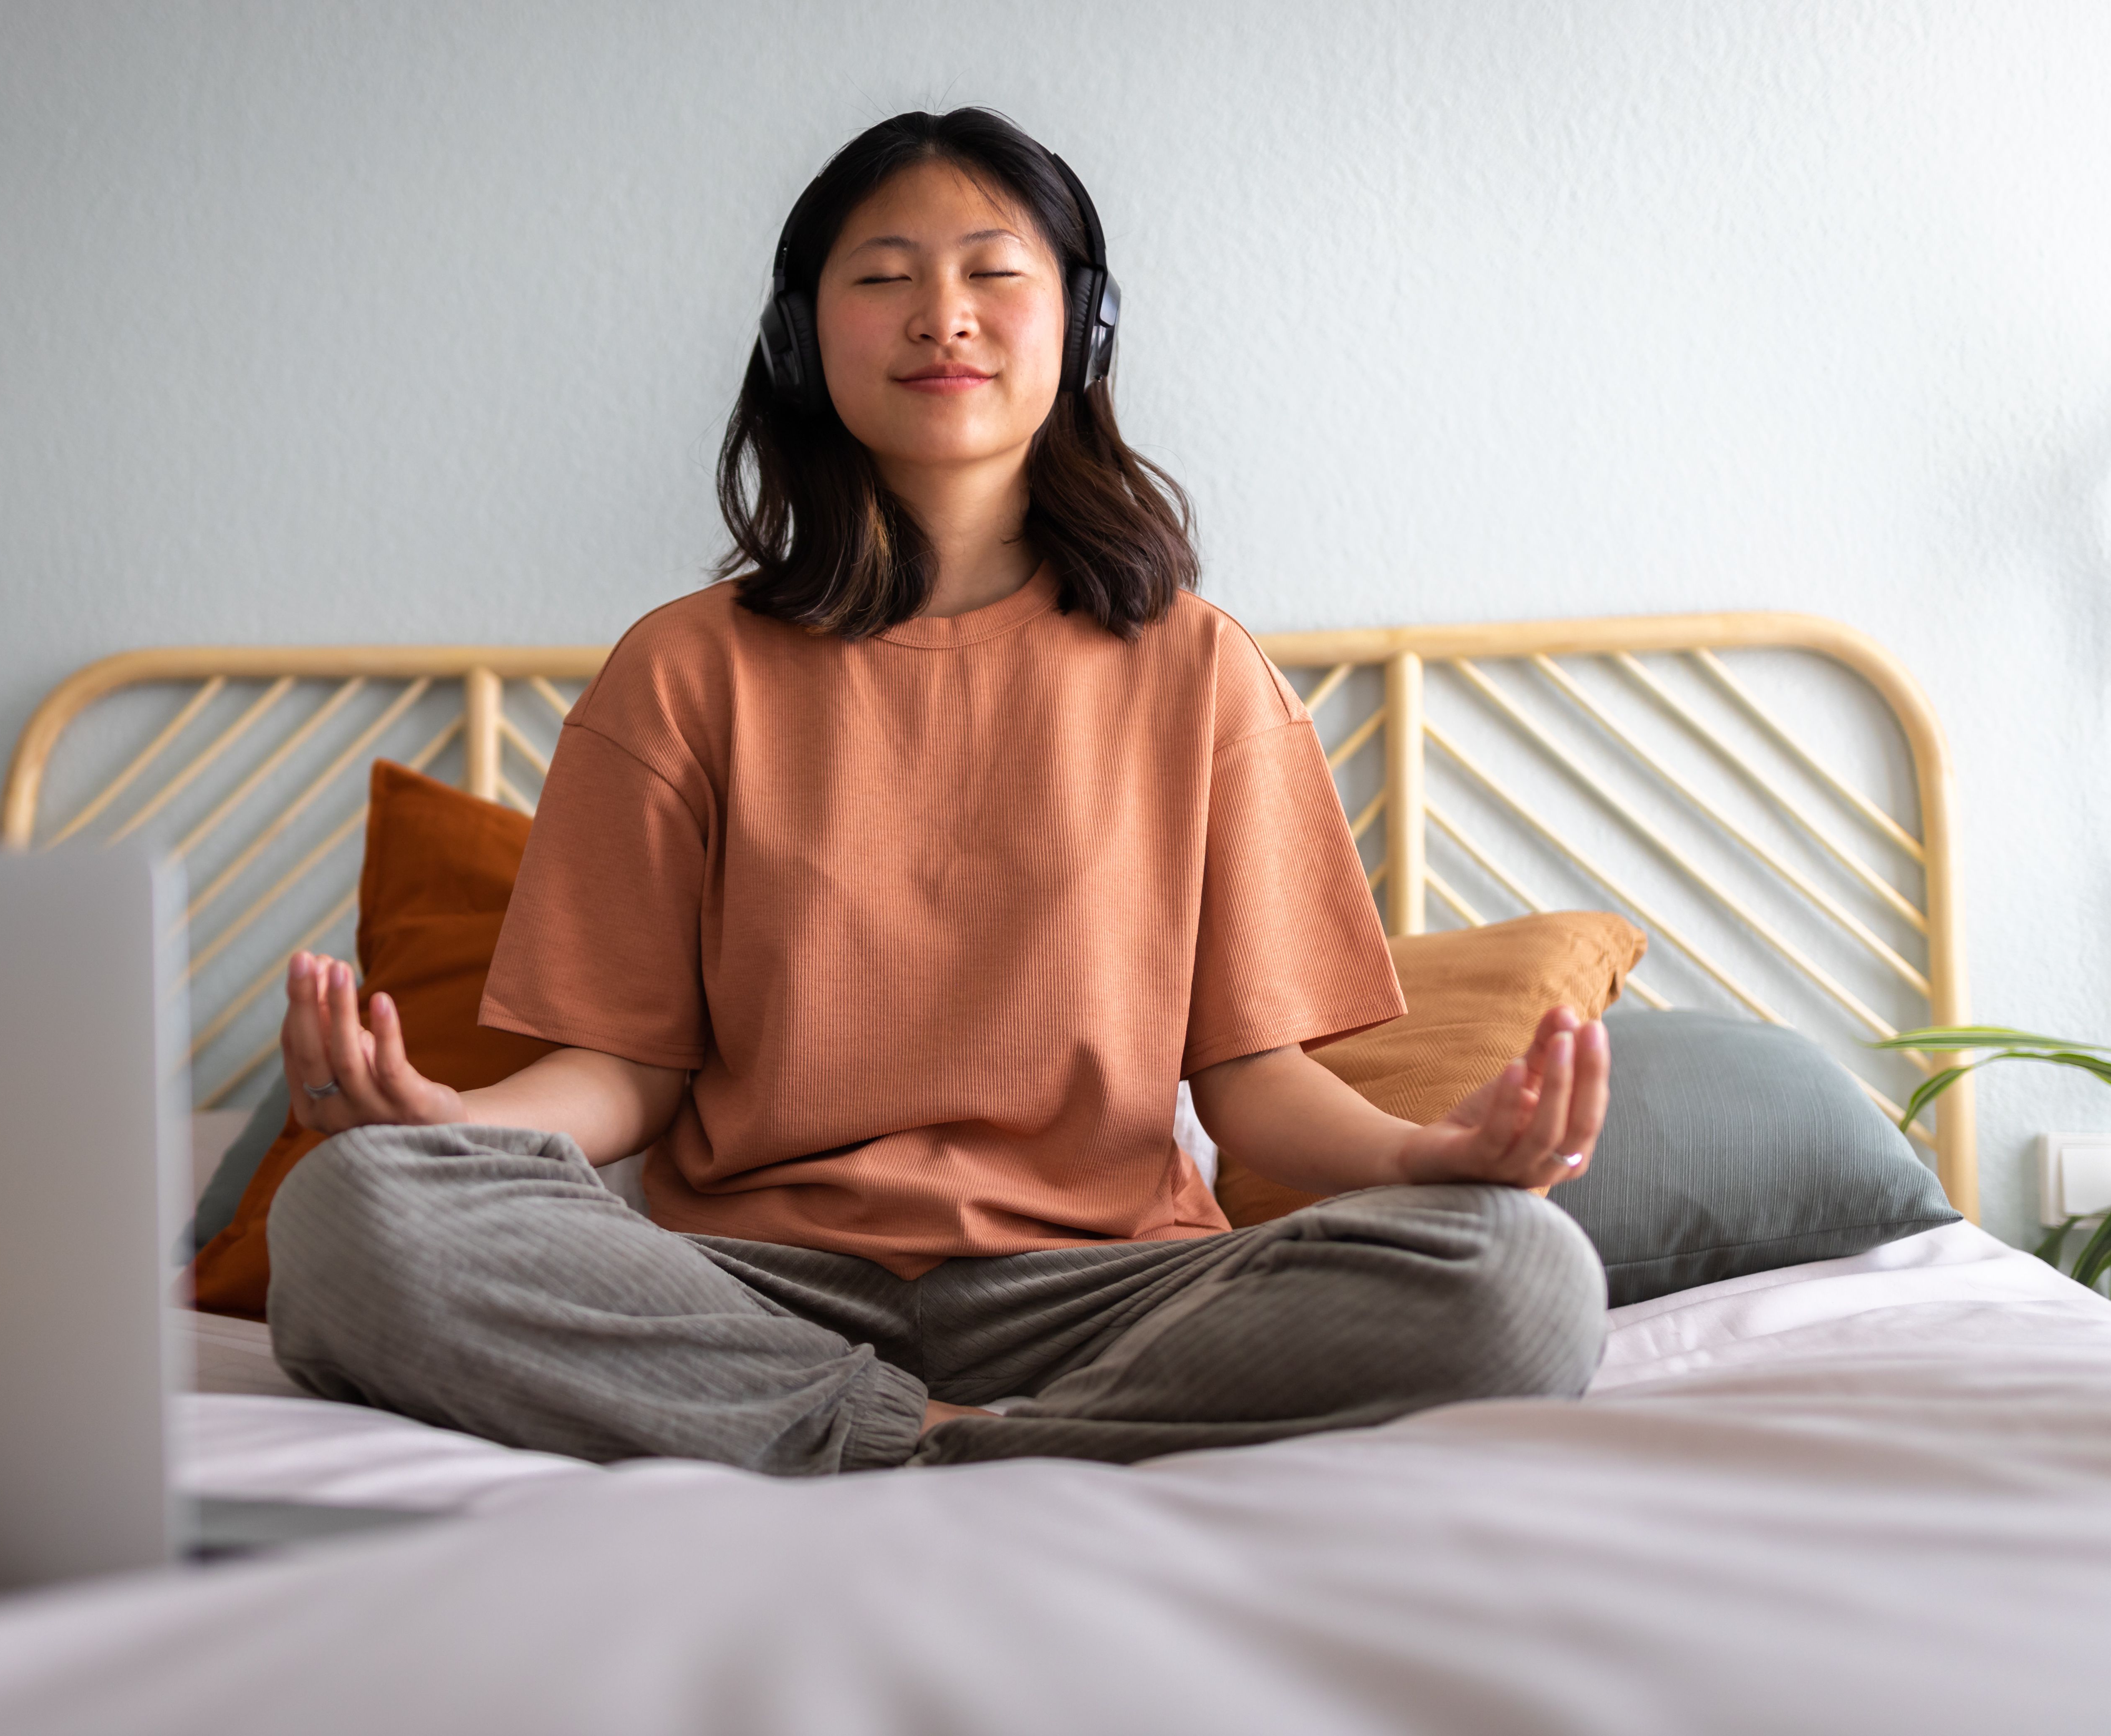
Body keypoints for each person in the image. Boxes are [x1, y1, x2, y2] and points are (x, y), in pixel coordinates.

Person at [265, 108, 1609, 1473]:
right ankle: (935, 1435)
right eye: (883, 275)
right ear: (802, 339)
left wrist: (1422, 1162)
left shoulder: (1204, 672)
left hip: (1104, 1292)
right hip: (751, 1286)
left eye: (992, 271)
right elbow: (624, 1074)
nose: (941, 316)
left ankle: (921, 1434)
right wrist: (449, 1127)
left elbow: (1256, 1089)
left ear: (1082, 329)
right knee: (349, 1219)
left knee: (1522, 1274)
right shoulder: (681, 671)